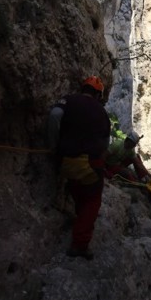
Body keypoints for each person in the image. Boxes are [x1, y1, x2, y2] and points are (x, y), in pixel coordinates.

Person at [47, 75, 110, 260]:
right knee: (92, 201)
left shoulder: (68, 99)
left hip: (64, 161)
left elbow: (54, 115)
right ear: (98, 94)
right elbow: (105, 143)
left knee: (76, 188)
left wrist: (53, 145)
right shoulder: (101, 112)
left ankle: (79, 218)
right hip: (88, 164)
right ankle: (80, 244)